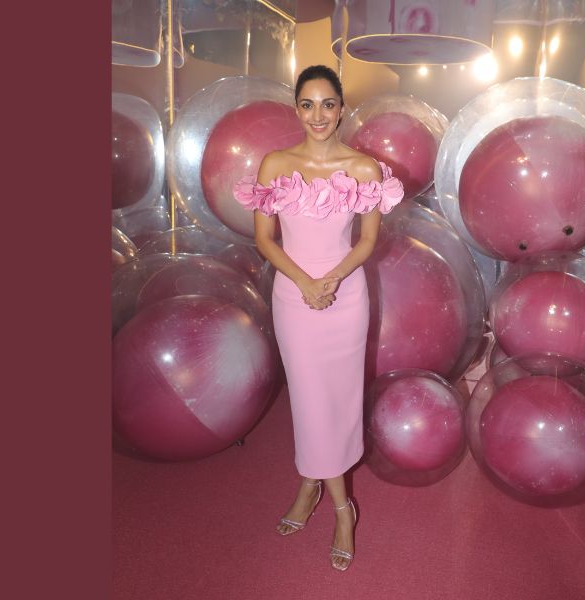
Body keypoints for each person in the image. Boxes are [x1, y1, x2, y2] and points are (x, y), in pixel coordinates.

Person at [233, 65, 404, 571]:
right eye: (307, 104)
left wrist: (330, 279)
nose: (318, 115)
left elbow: (367, 241)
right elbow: (264, 239)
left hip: (346, 298)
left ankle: (311, 485)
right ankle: (342, 506)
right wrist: (306, 283)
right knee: (308, 401)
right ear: (296, 109)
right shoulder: (275, 164)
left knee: (340, 401)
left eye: (328, 104)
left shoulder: (364, 169)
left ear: (342, 108)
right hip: (294, 299)